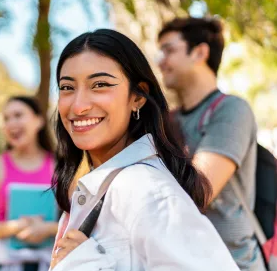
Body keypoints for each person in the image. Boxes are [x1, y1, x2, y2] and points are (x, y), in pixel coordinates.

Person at [49, 29, 239, 270]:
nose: (79, 105)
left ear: (138, 97)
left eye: (99, 85)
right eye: (67, 88)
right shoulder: (101, 186)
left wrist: (85, 263)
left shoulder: (142, 186)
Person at [157, 17, 264, 270]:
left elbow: (198, 192)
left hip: (234, 263)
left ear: (200, 52)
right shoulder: (167, 120)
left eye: (169, 50)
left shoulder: (230, 110)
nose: (160, 61)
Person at [0, 96, 58, 271]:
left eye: (18, 115)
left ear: (39, 121)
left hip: (48, 263)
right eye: (6, 119)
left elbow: (74, 222)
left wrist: (47, 229)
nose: (11, 123)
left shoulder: (59, 166)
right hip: (3, 262)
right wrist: (15, 227)